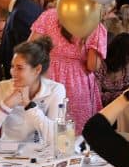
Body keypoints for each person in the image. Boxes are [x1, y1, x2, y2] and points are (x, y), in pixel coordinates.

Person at [30, 7, 107, 135]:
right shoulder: (93, 25)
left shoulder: (49, 15)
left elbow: (31, 48)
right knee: (76, 132)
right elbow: (92, 66)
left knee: (46, 126)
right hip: (77, 83)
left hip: (47, 76)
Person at [0, 38, 66, 143]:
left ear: (37, 69)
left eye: (19, 68)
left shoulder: (55, 90)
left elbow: (56, 139)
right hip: (7, 150)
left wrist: (29, 105)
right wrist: (6, 105)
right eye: (12, 66)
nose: (13, 72)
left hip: (41, 151)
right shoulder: (2, 88)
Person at [97, 32, 129, 105]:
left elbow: (123, 87)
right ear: (119, 52)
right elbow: (97, 96)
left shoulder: (124, 68)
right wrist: (122, 95)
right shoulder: (100, 66)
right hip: (101, 108)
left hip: (118, 106)